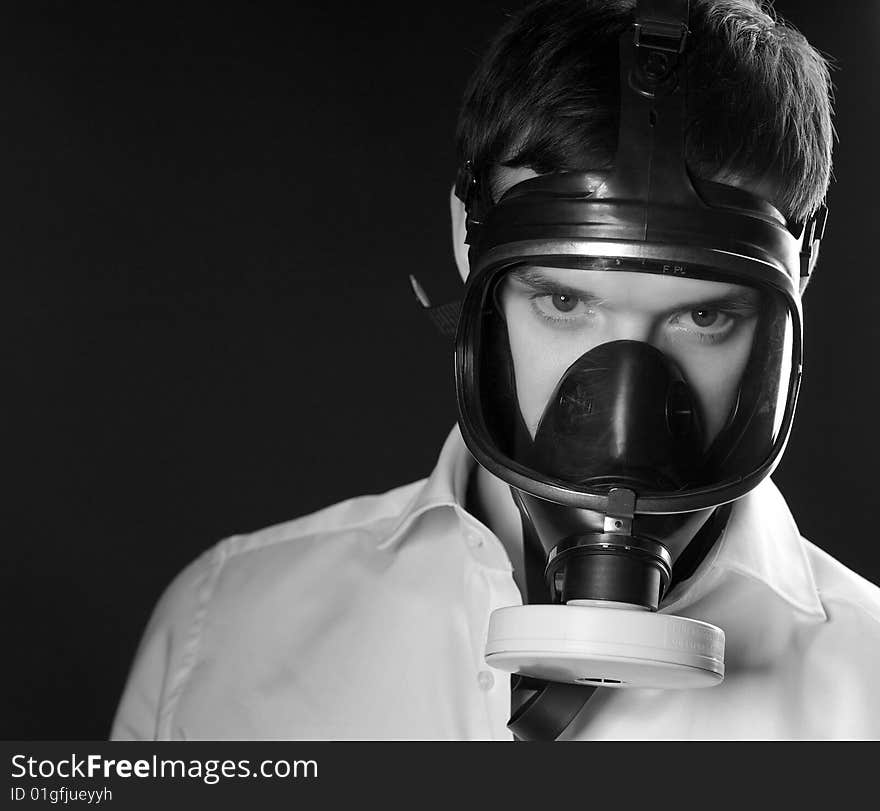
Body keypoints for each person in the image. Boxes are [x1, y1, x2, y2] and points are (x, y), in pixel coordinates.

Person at [111, 0, 880, 741]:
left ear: (801, 270)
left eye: (704, 316)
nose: (623, 409)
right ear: (466, 237)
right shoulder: (220, 633)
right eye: (563, 300)